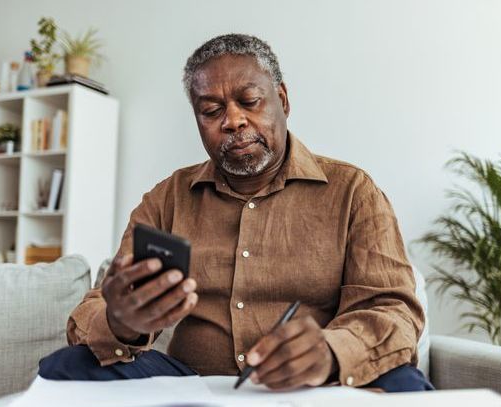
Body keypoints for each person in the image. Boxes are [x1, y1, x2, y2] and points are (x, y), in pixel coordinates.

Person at [39, 33, 433, 392]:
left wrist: (332, 352)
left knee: (405, 384)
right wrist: (121, 322)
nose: (233, 121)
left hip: (317, 386)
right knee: (67, 365)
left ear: (282, 100)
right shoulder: (166, 199)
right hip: (191, 382)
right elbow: (93, 310)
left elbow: (394, 310)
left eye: (249, 101)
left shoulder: (352, 190)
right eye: (211, 110)